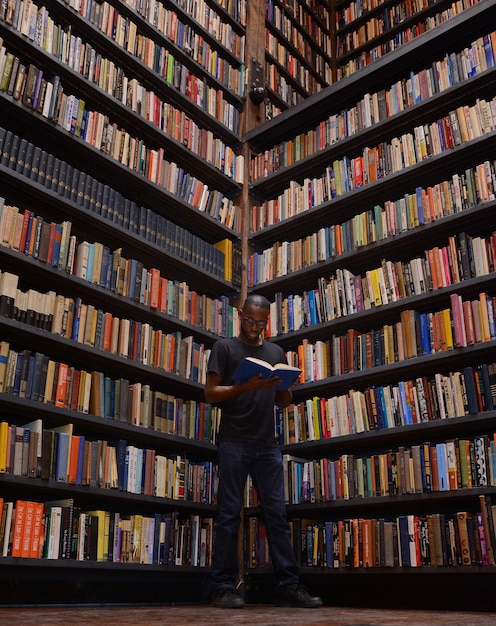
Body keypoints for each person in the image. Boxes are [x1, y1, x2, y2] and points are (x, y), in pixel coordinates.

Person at [204, 293, 323, 609]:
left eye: (261, 322)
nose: (255, 328)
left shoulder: (274, 351)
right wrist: (243, 387)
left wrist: (282, 386)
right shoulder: (225, 348)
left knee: (277, 516)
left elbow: (284, 402)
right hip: (233, 441)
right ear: (240, 315)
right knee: (229, 516)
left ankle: (288, 585)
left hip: (267, 444)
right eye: (249, 320)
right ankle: (223, 587)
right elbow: (211, 393)